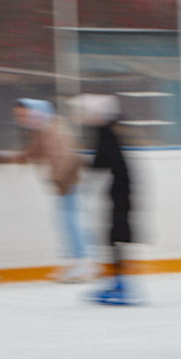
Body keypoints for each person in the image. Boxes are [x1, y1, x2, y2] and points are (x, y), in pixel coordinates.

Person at [0, 98, 94, 282]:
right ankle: (74, 263)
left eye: (23, 115)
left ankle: (83, 264)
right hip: (64, 181)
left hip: (68, 180)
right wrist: (5, 158)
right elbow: (31, 154)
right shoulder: (42, 129)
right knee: (66, 222)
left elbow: (65, 155)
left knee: (71, 222)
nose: (21, 119)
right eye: (18, 116)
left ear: (35, 112)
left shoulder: (51, 129)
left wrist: (61, 179)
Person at [72, 94, 138, 305]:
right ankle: (118, 282)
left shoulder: (107, 134)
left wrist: (81, 163)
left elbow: (103, 161)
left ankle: (122, 285)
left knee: (116, 237)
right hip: (118, 192)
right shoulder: (107, 132)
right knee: (113, 238)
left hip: (120, 194)